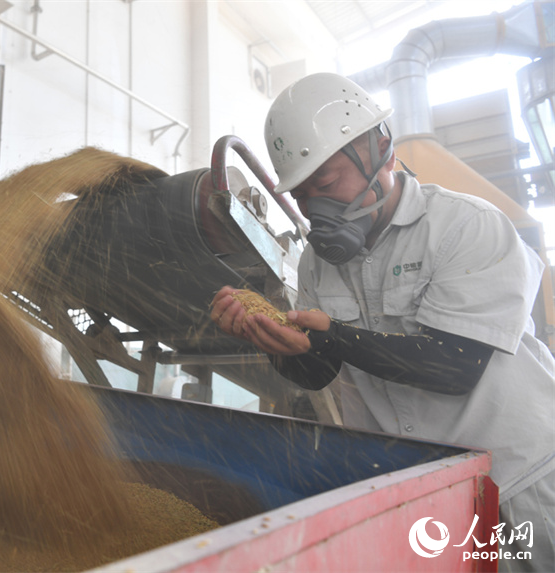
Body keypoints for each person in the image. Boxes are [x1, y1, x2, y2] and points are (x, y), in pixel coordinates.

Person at [211, 72, 554, 572]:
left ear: (382, 152)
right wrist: (278, 346)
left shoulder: (464, 226)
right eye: (302, 196)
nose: (314, 208)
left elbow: (454, 366)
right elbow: (321, 371)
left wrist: (332, 334)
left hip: (518, 483)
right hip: (422, 494)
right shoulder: (315, 263)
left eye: (325, 184)